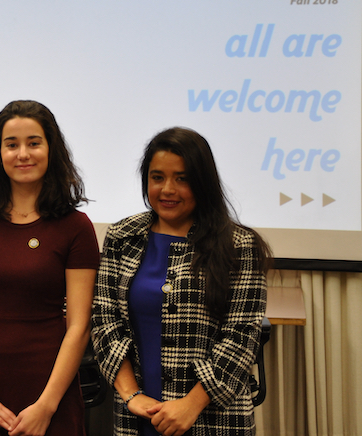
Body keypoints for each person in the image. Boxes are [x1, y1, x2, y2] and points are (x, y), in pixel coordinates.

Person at [91, 127, 271, 436]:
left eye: (182, 178)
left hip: (212, 418)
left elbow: (242, 336)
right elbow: (104, 320)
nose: (167, 189)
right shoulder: (122, 237)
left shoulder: (239, 245)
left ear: (202, 183)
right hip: (138, 417)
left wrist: (191, 404)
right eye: (157, 177)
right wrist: (131, 395)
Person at [0, 100, 99, 436]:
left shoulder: (76, 226)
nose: (22, 154)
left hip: (51, 389)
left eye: (34, 142)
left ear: (51, 149)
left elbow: (80, 325)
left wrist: (47, 405)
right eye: (11, 145)